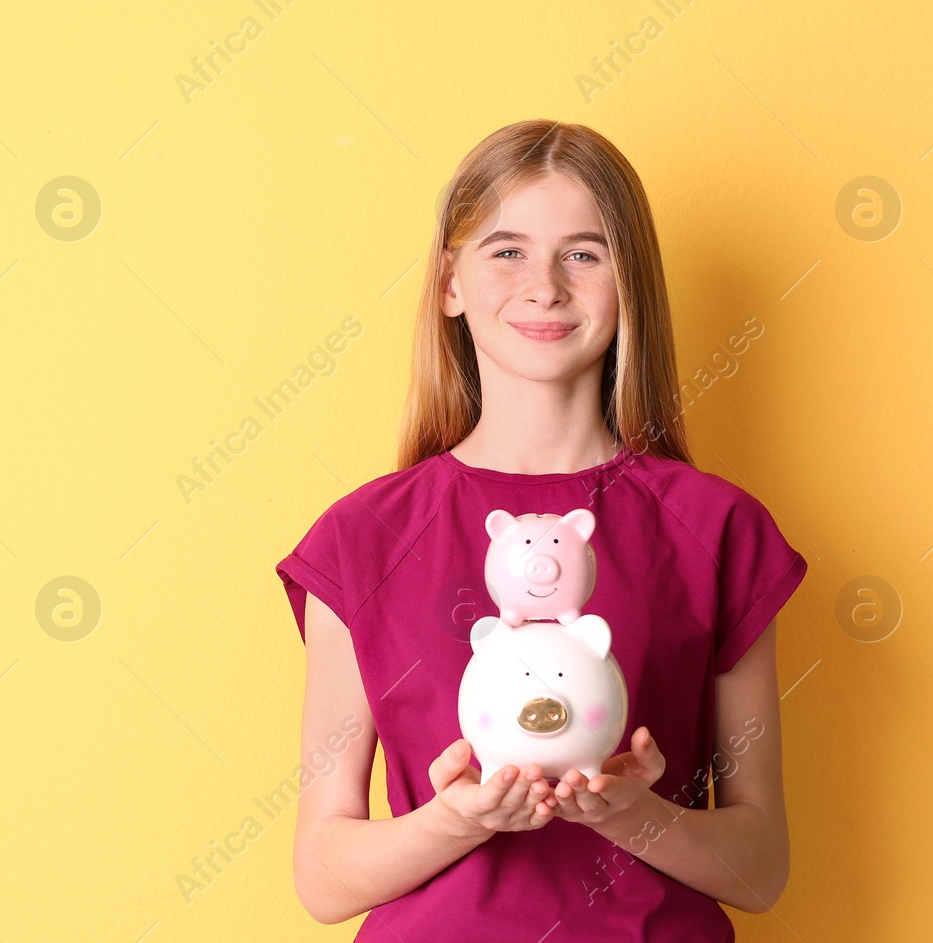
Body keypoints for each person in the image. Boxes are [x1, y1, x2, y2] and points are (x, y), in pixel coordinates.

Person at [275, 119, 807, 941]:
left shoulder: (717, 528)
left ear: (630, 284)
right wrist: (459, 818)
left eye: (585, 253)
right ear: (451, 281)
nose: (546, 285)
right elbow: (323, 873)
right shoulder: (363, 538)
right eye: (508, 251)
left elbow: (760, 864)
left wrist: (632, 815)